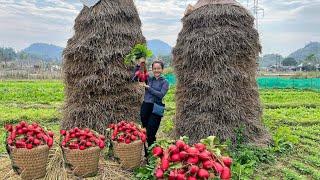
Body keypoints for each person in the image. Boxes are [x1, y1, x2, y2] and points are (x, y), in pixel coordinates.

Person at [138, 60, 169, 148]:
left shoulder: (165, 82)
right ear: (152, 69)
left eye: (158, 68)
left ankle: (152, 151)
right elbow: (140, 75)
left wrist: (149, 88)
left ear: (162, 69)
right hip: (146, 106)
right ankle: (147, 153)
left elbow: (161, 95)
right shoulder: (149, 79)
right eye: (154, 68)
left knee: (151, 132)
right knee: (144, 131)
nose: (156, 70)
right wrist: (141, 63)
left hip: (157, 107)